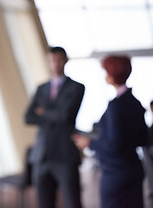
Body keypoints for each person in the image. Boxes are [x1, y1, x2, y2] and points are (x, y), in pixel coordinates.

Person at [73, 55, 148, 208]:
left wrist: (90, 143)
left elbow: (114, 144)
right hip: (134, 168)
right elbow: (143, 139)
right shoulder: (136, 103)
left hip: (115, 172)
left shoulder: (116, 106)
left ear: (111, 73)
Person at [25, 46, 84, 208]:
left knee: (73, 202)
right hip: (42, 155)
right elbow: (28, 117)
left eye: (58, 60)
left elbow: (66, 117)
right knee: (44, 203)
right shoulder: (41, 88)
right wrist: (53, 114)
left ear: (65, 60)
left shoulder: (77, 87)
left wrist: (43, 112)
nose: (54, 64)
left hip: (65, 155)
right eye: (51, 60)